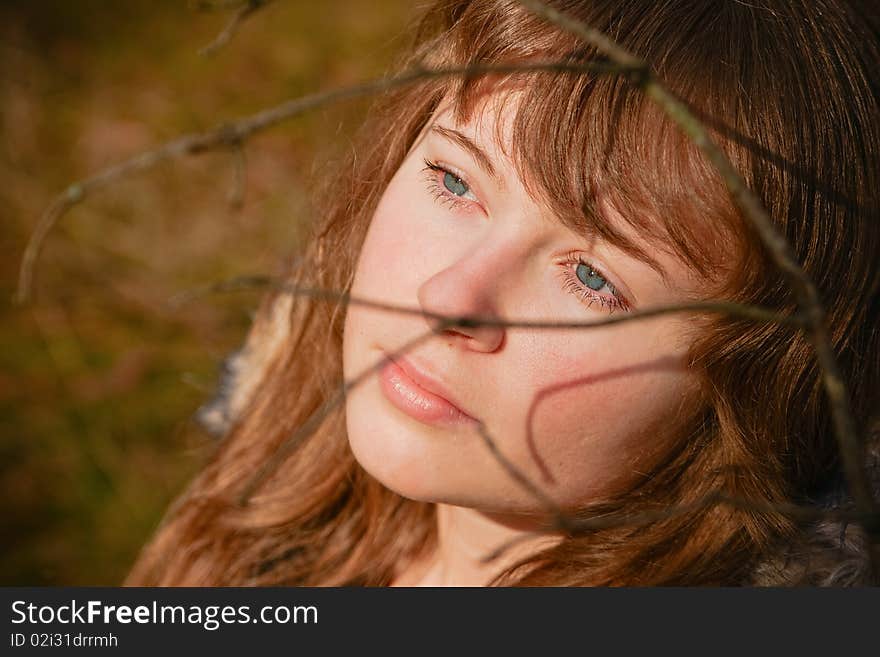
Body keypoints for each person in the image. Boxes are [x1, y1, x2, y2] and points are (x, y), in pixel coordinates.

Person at [126, 0, 880, 586]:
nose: (447, 297)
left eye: (593, 277)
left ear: (757, 382)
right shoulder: (284, 477)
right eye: (455, 181)